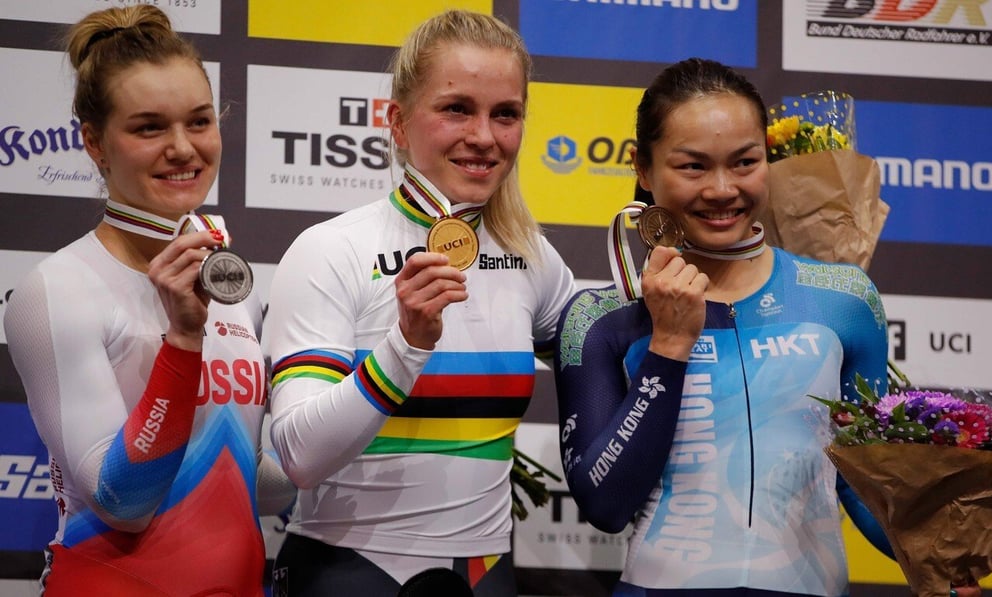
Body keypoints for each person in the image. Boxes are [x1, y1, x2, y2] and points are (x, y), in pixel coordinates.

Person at [553, 58, 981, 597]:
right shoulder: (601, 317)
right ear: (642, 167)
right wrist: (668, 347)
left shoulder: (844, 300)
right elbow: (605, 504)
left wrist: (939, 559)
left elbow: (861, 484)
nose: (722, 189)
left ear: (768, 160)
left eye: (744, 162)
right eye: (692, 167)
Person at [262, 9, 575, 597]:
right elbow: (299, 456)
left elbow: (607, 362)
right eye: (457, 108)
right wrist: (404, 346)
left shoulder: (531, 255)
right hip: (349, 571)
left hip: (485, 573)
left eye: (505, 114)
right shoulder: (332, 250)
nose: (484, 136)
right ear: (399, 123)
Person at [3, 6, 293, 595]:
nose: (183, 148)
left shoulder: (229, 282)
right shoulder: (57, 289)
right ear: (94, 142)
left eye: (199, 121)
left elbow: (245, 477)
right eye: (149, 128)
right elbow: (124, 501)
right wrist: (182, 339)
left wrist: (374, 386)